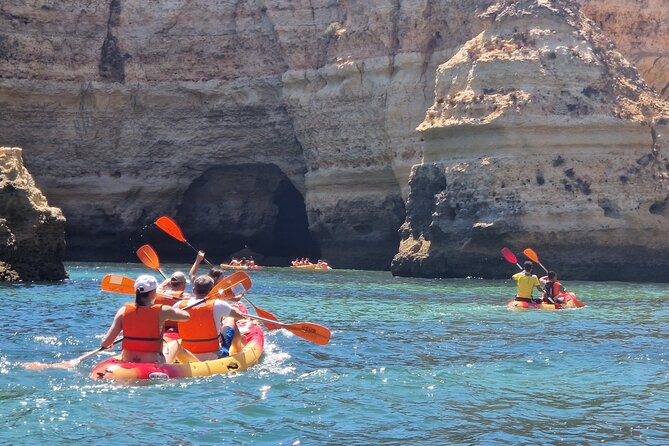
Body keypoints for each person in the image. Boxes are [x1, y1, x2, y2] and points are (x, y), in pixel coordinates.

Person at [99, 274, 191, 363]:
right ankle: (199, 364)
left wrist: (106, 343)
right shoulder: (163, 311)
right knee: (175, 344)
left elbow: (106, 343)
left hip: (127, 359)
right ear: (153, 292)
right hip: (153, 361)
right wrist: (184, 302)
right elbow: (186, 317)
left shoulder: (123, 311)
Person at [169, 275, 247, 362]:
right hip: (213, 354)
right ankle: (237, 349)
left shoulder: (179, 305)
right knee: (230, 320)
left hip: (186, 353)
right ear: (212, 290)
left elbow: (170, 318)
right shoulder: (218, 304)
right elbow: (240, 315)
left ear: (194, 290)